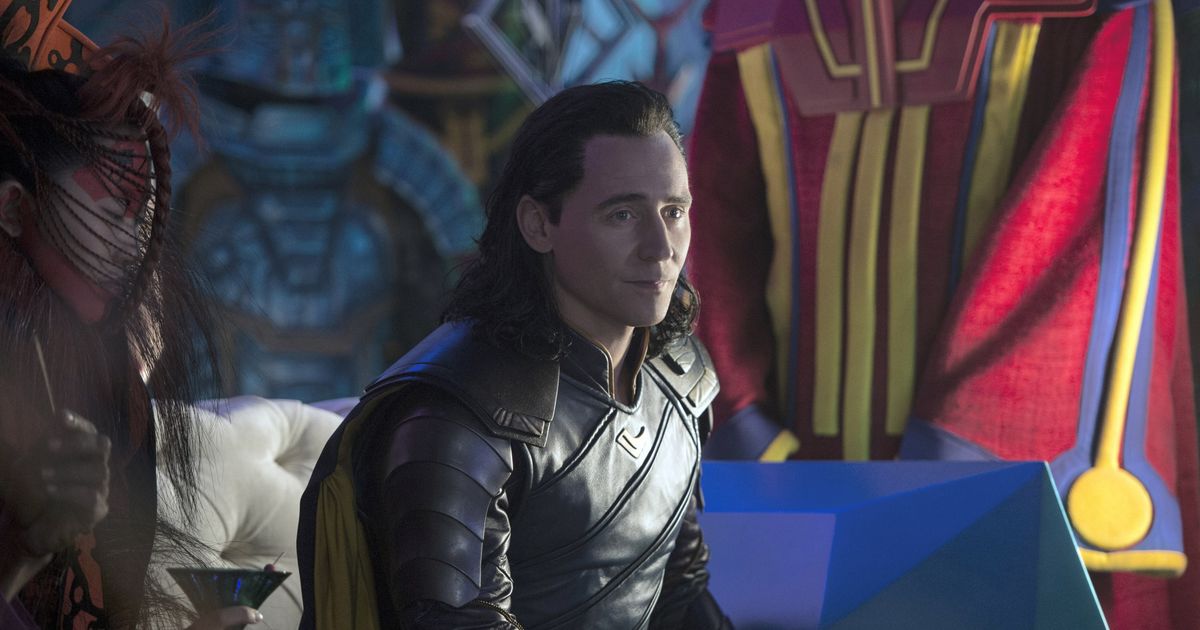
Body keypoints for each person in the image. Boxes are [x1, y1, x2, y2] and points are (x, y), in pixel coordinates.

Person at [686, 0, 1200, 627]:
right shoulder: (756, 21)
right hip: (788, 497)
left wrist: (954, 474)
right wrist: (738, 426)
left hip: (1002, 509)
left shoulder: (1088, 17)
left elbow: (1077, 231)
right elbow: (708, 239)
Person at [299, 81, 732, 629]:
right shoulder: (461, 416)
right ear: (538, 224)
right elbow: (459, 623)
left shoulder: (678, 379)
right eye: (622, 215)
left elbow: (680, 592)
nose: (661, 248)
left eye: (673, 212)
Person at [0, 2, 261, 627]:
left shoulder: (117, 391)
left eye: (138, 218)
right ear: (13, 210)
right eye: (107, 214)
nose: (131, 245)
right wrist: (23, 546)